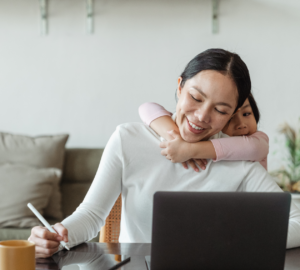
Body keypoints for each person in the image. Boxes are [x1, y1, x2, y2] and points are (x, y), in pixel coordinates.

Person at [29, 49, 300, 258]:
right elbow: (90, 217)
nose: (202, 117)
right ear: (180, 87)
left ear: (231, 114)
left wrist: (243, 241)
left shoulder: (238, 160)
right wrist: (54, 235)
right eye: (196, 97)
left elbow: (297, 220)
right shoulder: (128, 140)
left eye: (220, 110)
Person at [138, 93, 269, 171]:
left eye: (247, 113)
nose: (241, 125)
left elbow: (253, 148)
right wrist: (176, 139)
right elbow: (147, 108)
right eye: (230, 118)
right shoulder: (209, 136)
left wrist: (189, 149)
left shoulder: (258, 139)